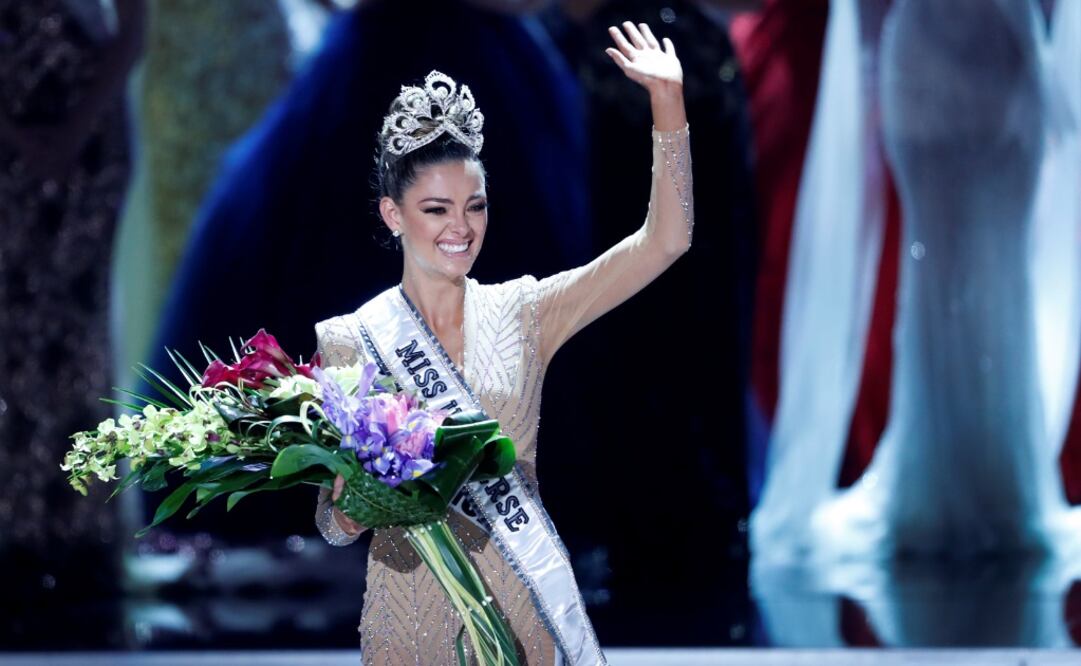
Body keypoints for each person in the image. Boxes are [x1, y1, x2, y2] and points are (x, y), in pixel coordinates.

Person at [312, 20, 693, 665]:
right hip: (408, 624)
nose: (460, 227)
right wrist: (355, 506)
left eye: (475, 205)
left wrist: (668, 105)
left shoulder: (524, 311)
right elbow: (332, 523)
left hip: (525, 610)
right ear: (393, 214)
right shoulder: (351, 340)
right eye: (436, 209)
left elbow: (666, 240)